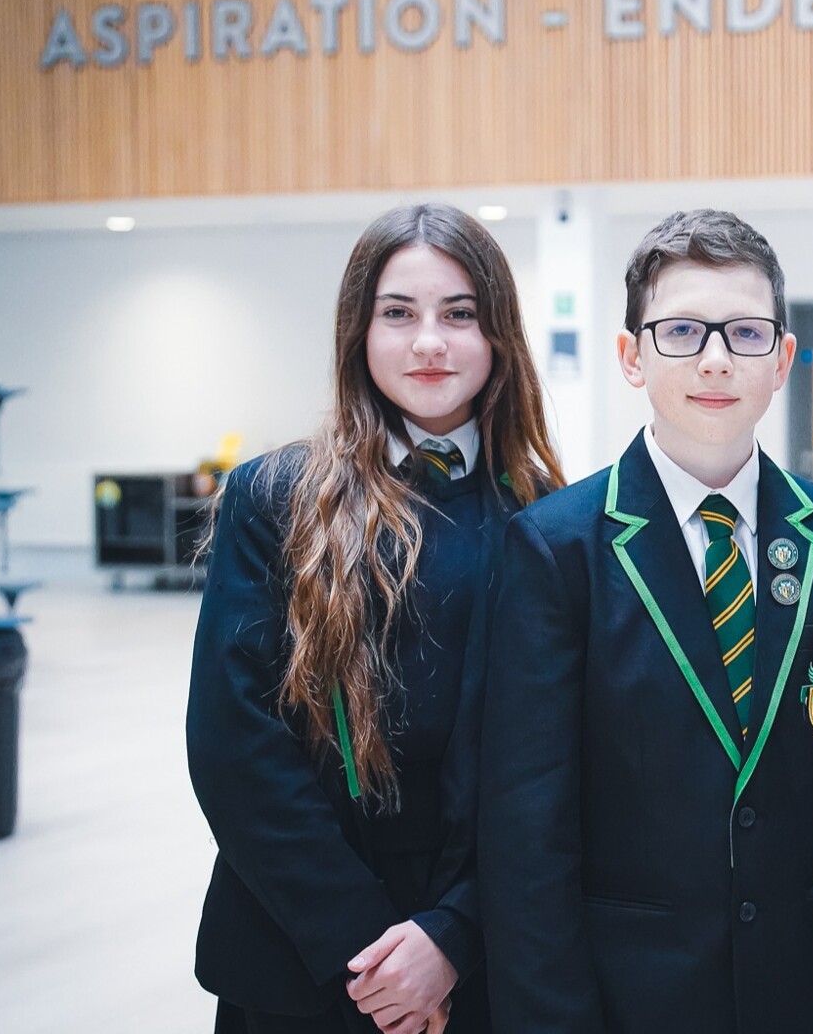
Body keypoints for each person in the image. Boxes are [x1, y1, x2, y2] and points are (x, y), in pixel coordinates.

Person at [476, 209, 813, 1033]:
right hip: (632, 999)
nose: (715, 359)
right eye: (680, 331)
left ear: (782, 359)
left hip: (805, 994)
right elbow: (529, 835)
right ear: (631, 356)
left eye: (745, 333)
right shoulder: (558, 546)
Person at [189, 203, 562, 1034]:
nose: (429, 342)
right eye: (398, 313)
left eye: (459, 314)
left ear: (499, 335)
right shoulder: (275, 496)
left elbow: (552, 768)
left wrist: (452, 935)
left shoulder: (546, 516)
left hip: (483, 950)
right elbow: (235, 746)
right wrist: (367, 953)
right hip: (303, 948)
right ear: (358, 330)